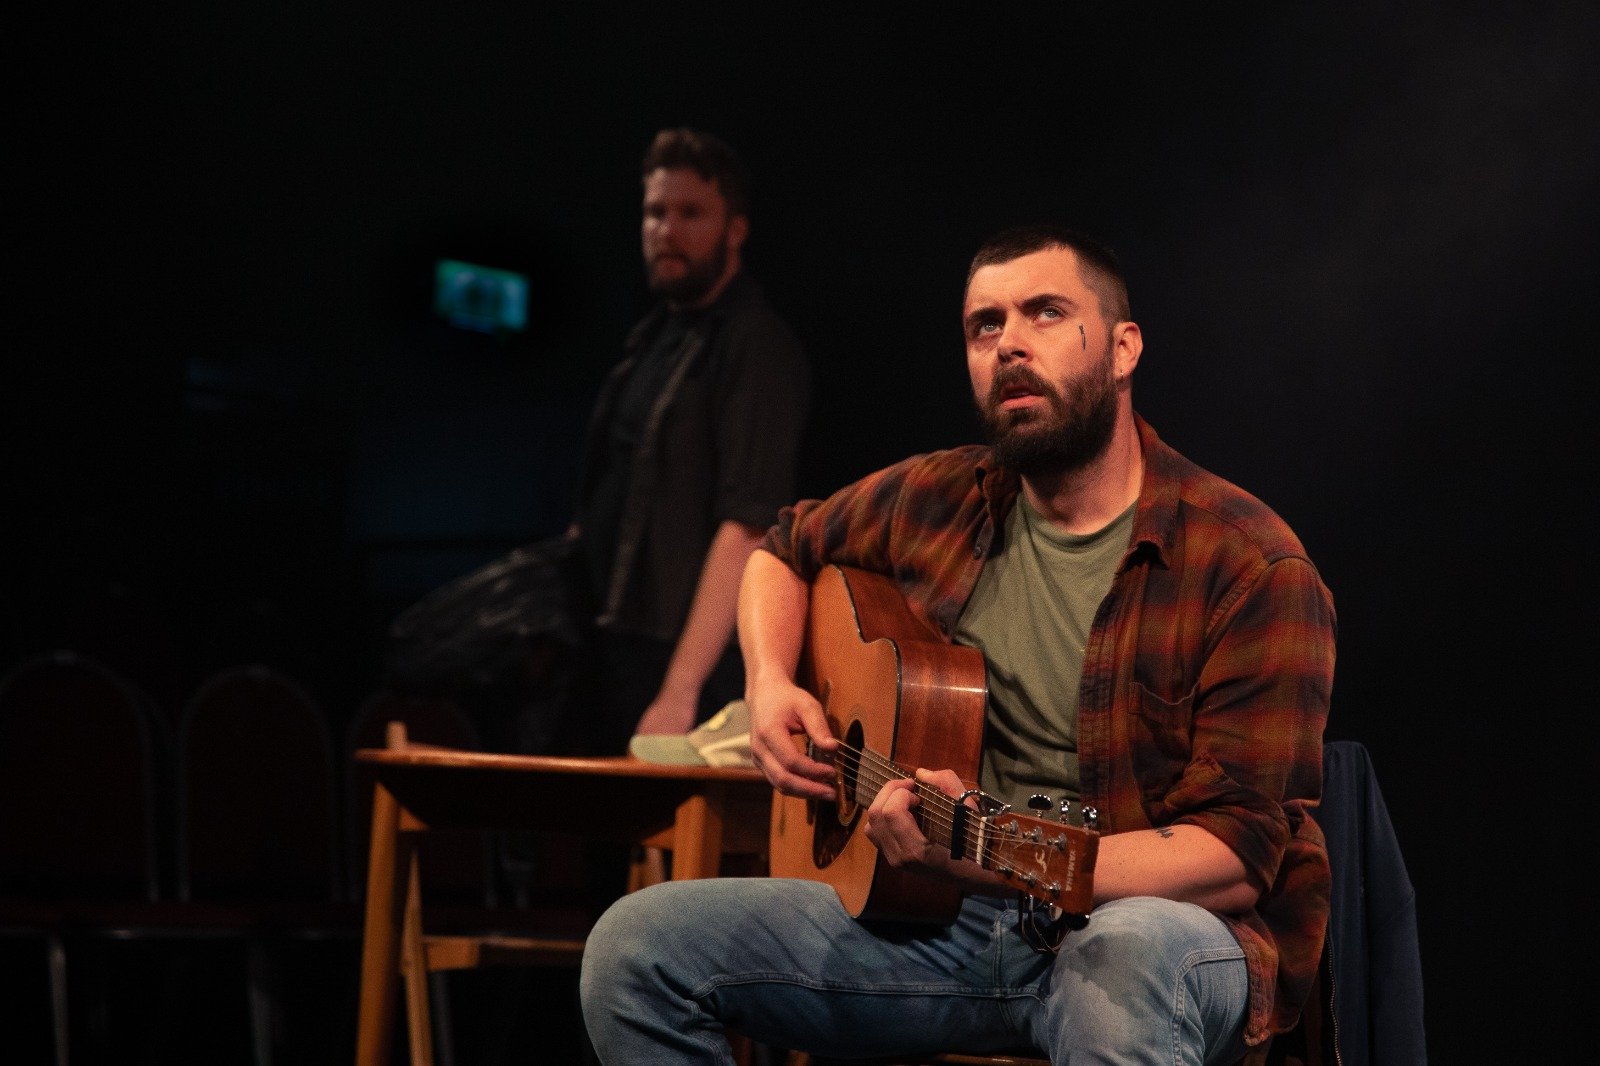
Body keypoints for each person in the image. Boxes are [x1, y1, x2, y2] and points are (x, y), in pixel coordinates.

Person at [579, 225, 1337, 1065]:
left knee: (1126, 957)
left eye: (1045, 313)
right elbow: (781, 549)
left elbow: (1234, 858)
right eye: (985, 325)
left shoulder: (1247, 563)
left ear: (1124, 349)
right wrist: (767, 685)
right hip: (948, 923)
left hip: (1159, 929)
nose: (1009, 343)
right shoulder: (942, 497)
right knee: (636, 948)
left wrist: (988, 855)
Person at [571, 127, 810, 754]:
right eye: (655, 212)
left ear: (735, 229)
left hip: (686, 664)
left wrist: (679, 689)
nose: (667, 231)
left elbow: (748, 523)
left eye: (690, 213)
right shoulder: (654, 337)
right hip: (617, 647)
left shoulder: (755, 345)